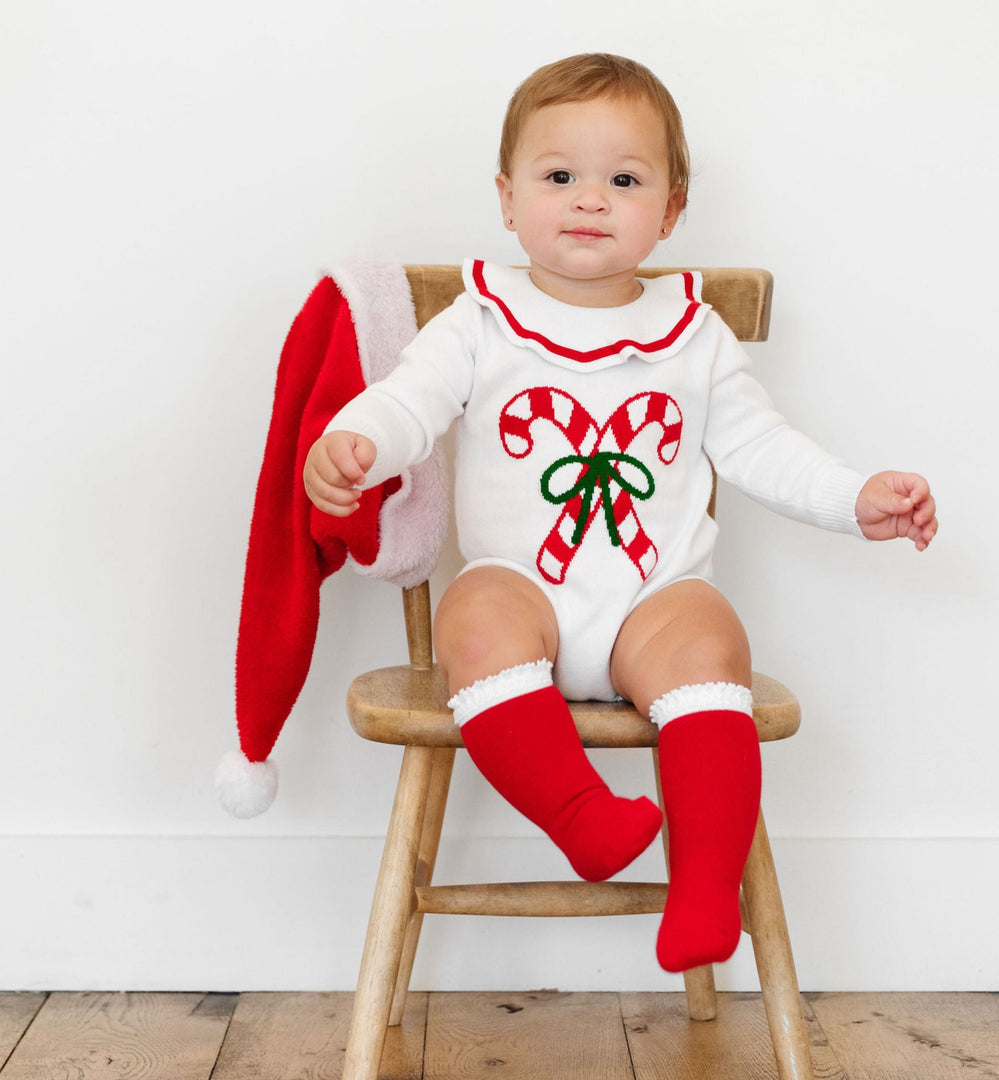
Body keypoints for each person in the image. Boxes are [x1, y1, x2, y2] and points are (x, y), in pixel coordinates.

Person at [303, 53, 937, 973]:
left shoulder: (694, 331)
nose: (589, 199)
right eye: (559, 177)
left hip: (655, 598)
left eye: (624, 180)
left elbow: (762, 446)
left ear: (672, 208)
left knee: (712, 637)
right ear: (507, 196)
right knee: (470, 619)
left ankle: (708, 887)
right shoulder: (480, 319)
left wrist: (853, 497)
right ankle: (585, 819)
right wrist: (358, 441)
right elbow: (410, 401)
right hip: (527, 593)